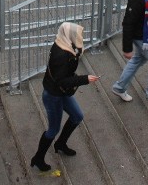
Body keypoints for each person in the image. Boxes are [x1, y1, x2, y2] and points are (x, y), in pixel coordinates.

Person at [30, 22, 100, 172]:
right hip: (53, 96)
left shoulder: (65, 45)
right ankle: (38, 158)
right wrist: (84, 79)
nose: (79, 37)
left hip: (61, 92)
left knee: (77, 116)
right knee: (53, 129)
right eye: (77, 35)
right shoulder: (60, 54)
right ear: (69, 36)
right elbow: (62, 80)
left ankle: (60, 144)